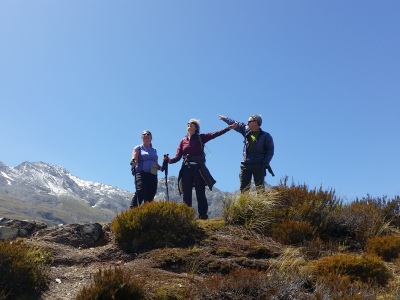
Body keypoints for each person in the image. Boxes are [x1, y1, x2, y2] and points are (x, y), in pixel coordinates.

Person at [164, 119, 237, 219]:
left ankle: (203, 216)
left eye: (192, 124)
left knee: (200, 192)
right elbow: (178, 156)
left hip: (198, 168)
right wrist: (169, 160)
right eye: (188, 124)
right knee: (186, 193)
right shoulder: (182, 141)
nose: (189, 125)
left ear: (196, 128)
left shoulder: (200, 138)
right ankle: (187, 216)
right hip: (186, 168)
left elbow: (214, 134)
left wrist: (228, 128)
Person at [219, 114, 274, 193]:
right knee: (244, 189)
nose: (247, 123)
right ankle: (244, 205)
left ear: (256, 122)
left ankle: (261, 205)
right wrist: (224, 118)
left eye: (249, 121)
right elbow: (236, 123)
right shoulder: (246, 130)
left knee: (260, 189)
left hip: (258, 165)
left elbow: (270, 152)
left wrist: (264, 163)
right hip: (245, 164)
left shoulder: (266, 136)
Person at [130, 130, 161, 208]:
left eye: (148, 134)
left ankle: (147, 214)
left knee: (151, 194)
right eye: (144, 134)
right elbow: (135, 157)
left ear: (151, 138)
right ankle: (133, 210)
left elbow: (156, 163)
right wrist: (133, 162)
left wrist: (162, 167)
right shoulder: (138, 148)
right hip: (141, 173)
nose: (146, 135)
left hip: (153, 174)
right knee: (140, 191)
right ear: (142, 138)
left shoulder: (154, 150)